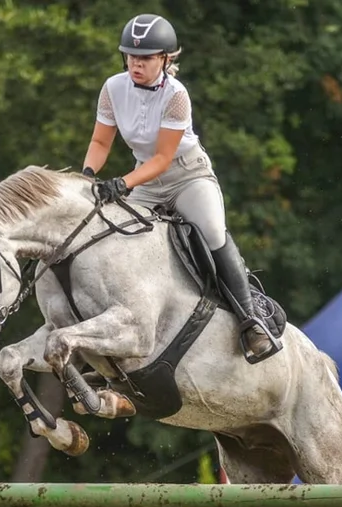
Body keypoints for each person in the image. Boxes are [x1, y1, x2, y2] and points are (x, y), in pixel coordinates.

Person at [80, 13, 280, 362]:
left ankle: (252, 322)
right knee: (118, 236)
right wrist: (87, 175)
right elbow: (100, 141)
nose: (135, 64)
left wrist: (122, 183)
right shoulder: (113, 88)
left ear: (166, 59)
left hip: (187, 175)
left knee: (212, 230)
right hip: (146, 178)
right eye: (130, 56)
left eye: (144, 58)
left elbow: (162, 158)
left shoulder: (176, 95)